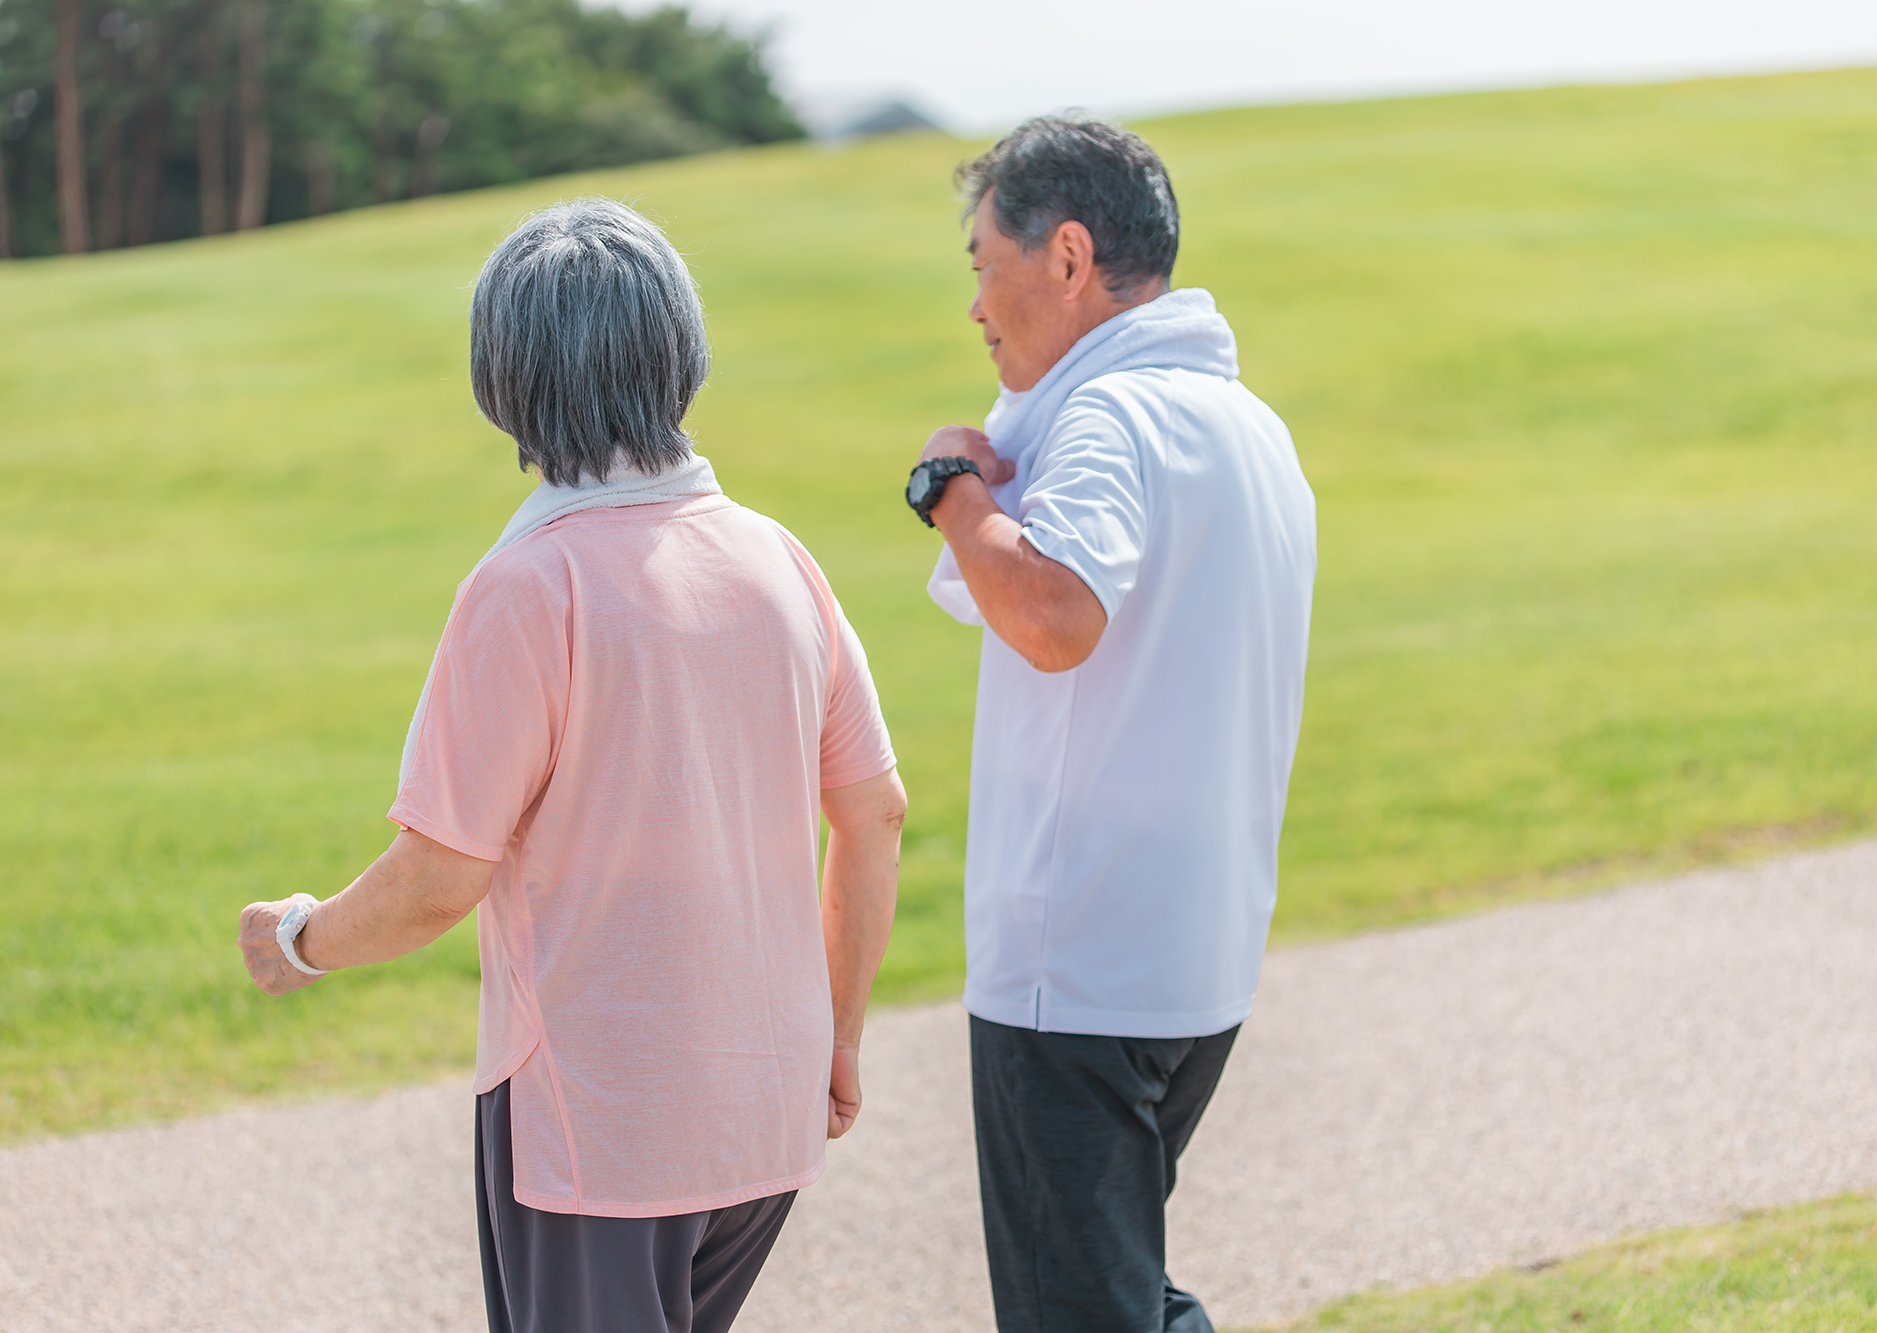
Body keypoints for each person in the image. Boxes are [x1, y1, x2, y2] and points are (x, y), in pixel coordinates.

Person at [237, 197, 907, 1333]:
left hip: (600, 1128)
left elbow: (437, 879)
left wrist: (301, 940)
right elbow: (875, 813)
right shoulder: (777, 559)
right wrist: (836, 1034)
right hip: (764, 1111)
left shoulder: (525, 589)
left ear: (504, 378)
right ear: (679, 351)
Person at [903, 117, 1317, 1332]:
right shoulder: (1251, 429)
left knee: (1079, 1312)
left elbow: (1051, 616)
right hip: (1194, 962)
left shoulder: (1107, 417)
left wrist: (948, 485)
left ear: (1067, 256)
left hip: (1074, 970)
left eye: (984, 263)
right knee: (1117, 1291)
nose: (977, 305)